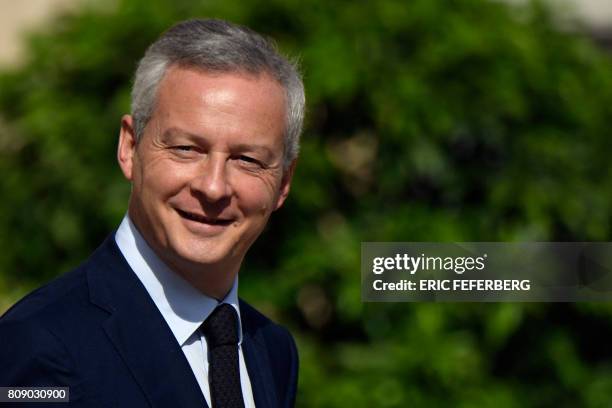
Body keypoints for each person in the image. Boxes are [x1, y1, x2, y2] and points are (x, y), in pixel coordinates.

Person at [0, 18, 304, 408]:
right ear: (129, 148)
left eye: (246, 159)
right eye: (186, 149)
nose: (213, 187)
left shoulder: (272, 350)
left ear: (283, 182)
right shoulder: (38, 345)